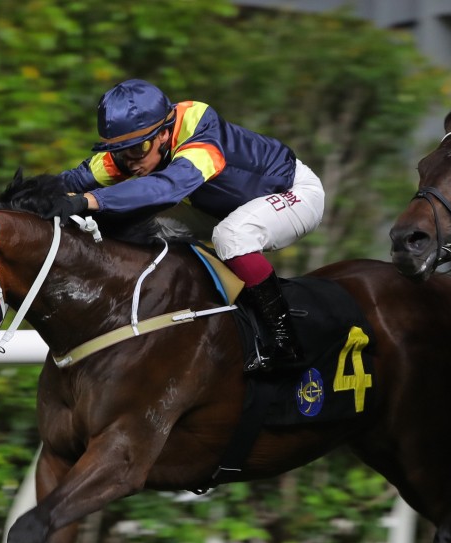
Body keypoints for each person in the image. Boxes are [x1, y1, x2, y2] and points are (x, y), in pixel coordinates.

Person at [47, 79, 325, 373]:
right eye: (121, 152)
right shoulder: (139, 148)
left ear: (165, 134)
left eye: (138, 149)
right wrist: (28, 199)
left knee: (230, 235)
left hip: (292, 193)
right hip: (224, 207)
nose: (130, 162)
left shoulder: (204, 140)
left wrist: (87, 201)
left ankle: (286, 341)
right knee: (144, 227)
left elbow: (166, 189)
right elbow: (74, 180)